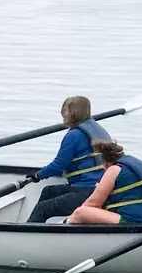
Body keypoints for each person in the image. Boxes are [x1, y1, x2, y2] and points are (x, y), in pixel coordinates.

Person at [25, 95, 113, 223]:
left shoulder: (74, 135)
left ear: (74, 112)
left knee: (43, 208)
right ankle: (36, 227)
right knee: (48, 191)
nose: (62, 115)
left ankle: (28, 236)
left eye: (65, 111)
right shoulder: (97, 129)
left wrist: (38, 175)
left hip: (86, 191)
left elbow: (58, 165)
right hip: (99, 188)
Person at [67, 140, 142, 224]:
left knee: (80, 213)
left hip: (135, 220)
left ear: (104, 163)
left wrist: (69, 219)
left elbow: (92, 203)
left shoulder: (114, 169)